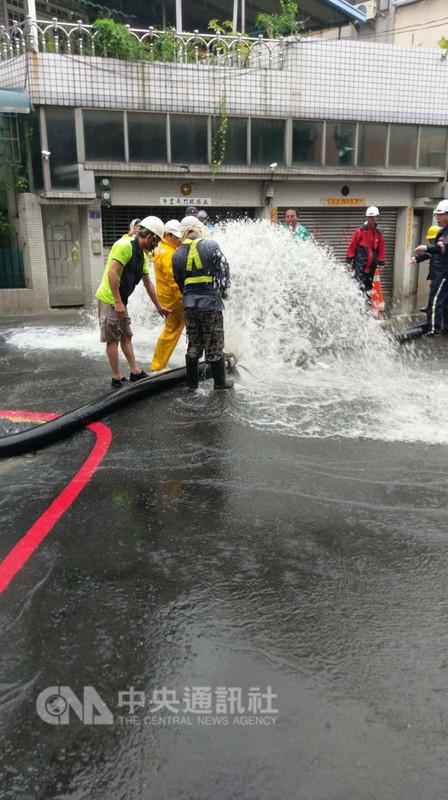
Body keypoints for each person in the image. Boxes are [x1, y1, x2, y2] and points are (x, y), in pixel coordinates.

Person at [96, 215, 170, 388]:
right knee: (113, 339)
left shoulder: (142, 256)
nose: (156, 245)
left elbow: (148, 283)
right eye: (157, 241)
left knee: (126, 335)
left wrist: (159, 307)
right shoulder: (125, 246)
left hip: (121, 300)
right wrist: (118, 302)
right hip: (110, 299)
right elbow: (112, 274)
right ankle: (117, 378)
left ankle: (135, 372)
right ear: (150, 236)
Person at [172, 215, 232, 391]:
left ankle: (192, 384)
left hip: (190, 305)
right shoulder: (211, 245)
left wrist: (189, 295)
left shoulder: (177, 253)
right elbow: (224, 270)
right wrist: (223, 292)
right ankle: (220, 383)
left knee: (194, 343)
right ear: (198, 228)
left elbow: (178, 280)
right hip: (211, 304)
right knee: (214, 343)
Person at [150, 219, 184, 372]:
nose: (180, 239)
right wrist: (182, 298)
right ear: (168, 235)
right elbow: (173, 280)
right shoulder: (168, 253)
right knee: (171, 332)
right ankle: (158, 366)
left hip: (166, 299)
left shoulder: (162, 248)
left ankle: (159, 364)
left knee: (172, 330)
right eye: (177, 236)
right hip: (174, 301)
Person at [414, 200, 448, 335]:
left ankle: (434, 329)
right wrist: (418, 257)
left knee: (435, 300)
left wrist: (426, 247)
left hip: (444, 272)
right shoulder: (444, 231)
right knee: (444, 301)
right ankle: (443, 326)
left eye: (440, 215)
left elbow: (442, 247)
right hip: (441, 271)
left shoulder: (446, 234)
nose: (437, 218)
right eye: (436, 215)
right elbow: (432, 253)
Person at [345, 206, 386, 294]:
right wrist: (348, 261)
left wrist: (381, 263)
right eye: (370, 217)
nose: (371, 219)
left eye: (373, 217)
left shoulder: (378, 233)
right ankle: (358, 305)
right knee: (358, 285)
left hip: (372, 266)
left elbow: (381, 249)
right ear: (367, 217)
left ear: (377, 218)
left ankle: (368, 304)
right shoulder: (359, 232)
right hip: (360, 264)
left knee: (369, 286)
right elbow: (352, 246)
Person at [411, 225, 440, 313]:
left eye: (432, 240)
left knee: (438, 292)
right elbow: (427, 255)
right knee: (433, 290)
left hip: (441, 274)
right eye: (430, 240)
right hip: (434, 273)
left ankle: (435, 308)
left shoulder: (442, 249)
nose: (431, 242)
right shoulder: (434, 249)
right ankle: (431, 307)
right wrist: (417, 258)